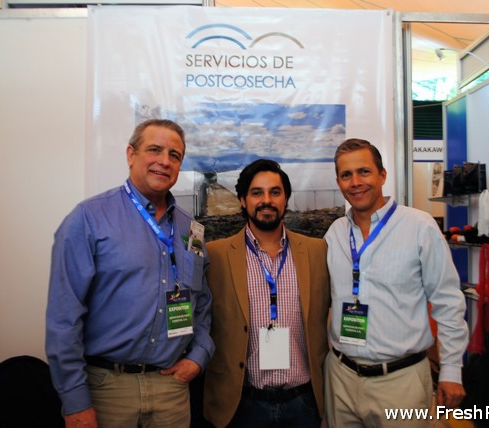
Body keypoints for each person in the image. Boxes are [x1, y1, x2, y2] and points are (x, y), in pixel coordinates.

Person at [45, 119, 214, 428]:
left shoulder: (193, 229)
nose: (165, 161)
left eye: (174, 155)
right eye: (154, 150)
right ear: (130, 155)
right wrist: (75, 401)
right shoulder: (89, 218)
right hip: (107, 389)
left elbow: (201, 302)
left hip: (172, 390)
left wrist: (199, 355)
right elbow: (64, 316)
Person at [324, 139, 468, 427]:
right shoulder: (335, 232)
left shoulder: (419, 226)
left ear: (382, 175)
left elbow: (448, 301)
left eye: (364, 171)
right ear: (339, 182)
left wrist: (451, 370)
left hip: (400, 381)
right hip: (341, 379)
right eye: (346, 175)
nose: (355, 182)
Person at [203, 159, 330, 427]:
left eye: (275, 192)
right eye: (257, 193)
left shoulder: (317, 251)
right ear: (243, 200)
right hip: (242, 403)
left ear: (286, 199)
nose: (266, 200)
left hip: (303, 402)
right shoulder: (216, 255)